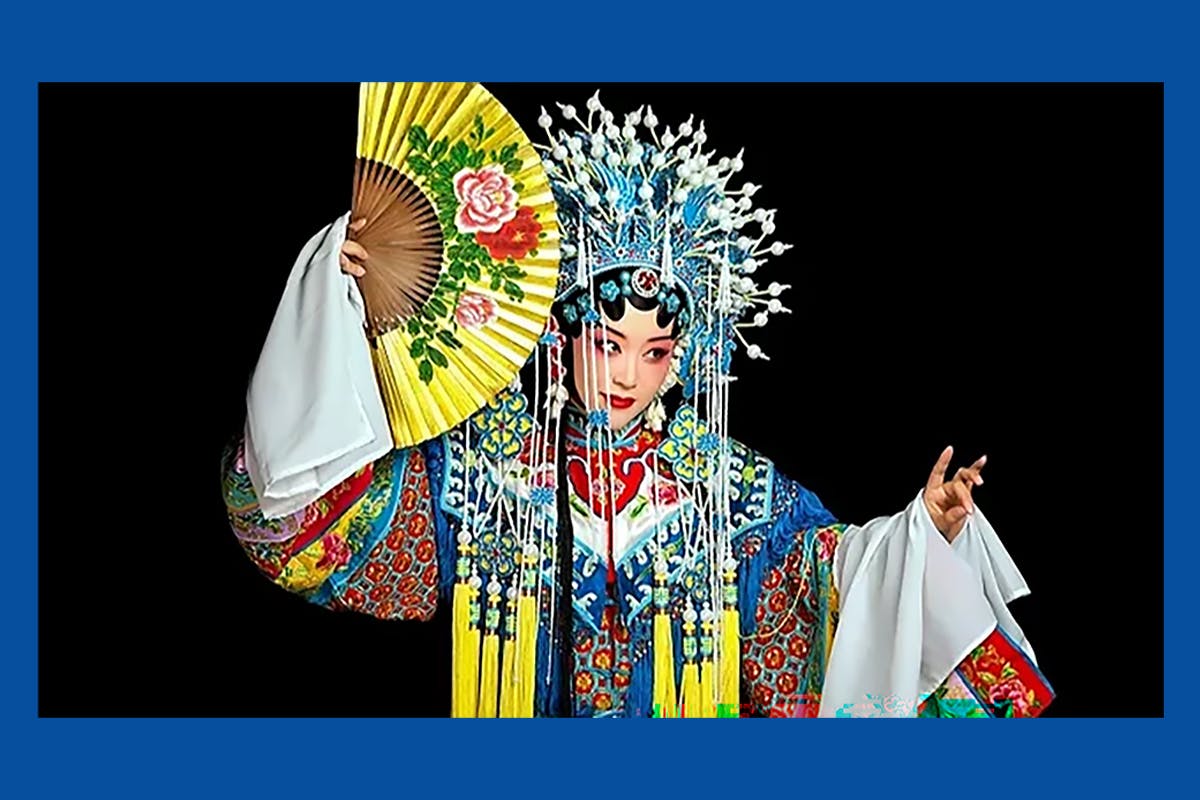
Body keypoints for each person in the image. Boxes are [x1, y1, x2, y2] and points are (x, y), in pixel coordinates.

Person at [221, 90, 1054, 718]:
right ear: (559, 334)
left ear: (685, 356)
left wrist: (921, 534)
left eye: (655, 352)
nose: (626, 373)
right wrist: (336, 317)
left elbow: (822, 578)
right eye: (605, 342)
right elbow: (305, 515)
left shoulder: (725, 486)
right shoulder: (484, 465)